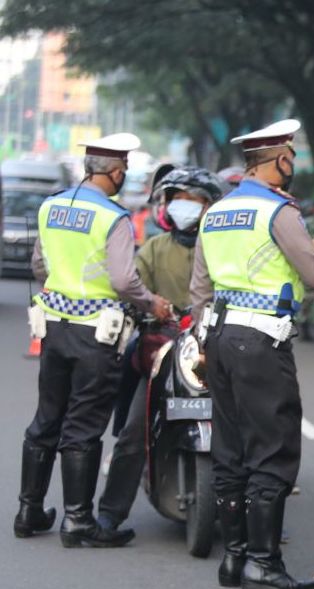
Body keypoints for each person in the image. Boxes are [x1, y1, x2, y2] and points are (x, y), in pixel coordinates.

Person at [190, 118, 314, 589]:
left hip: (219, 335)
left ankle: (234, 558)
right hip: (261, 342)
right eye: (290, 156)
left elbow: (199, 288)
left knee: (230, 451)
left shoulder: (216, 212)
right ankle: (263, 565)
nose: (292, 165)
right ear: (278, 160)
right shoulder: (280, 212)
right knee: (272, 452)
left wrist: (203, 339)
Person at [15, 133, 173, 547]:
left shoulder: (52, 206)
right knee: (84, 424)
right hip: (96, 334)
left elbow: (39, 265)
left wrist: (63, 292)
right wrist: (151, 302)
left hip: (53, 328)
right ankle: (77, 520)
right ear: (117, 172)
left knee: (47, 417)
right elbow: (123, 279)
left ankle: (29, 511)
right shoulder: (113, 218)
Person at [96, 167, 226, 532]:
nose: (185, 206)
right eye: (178, 199)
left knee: (251, 426)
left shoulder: (222, 248)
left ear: (209, 207)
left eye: (195, 200)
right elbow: (131, 289)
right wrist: (148, 307)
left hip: (216, 351)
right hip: (164, 355)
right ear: (166, 206)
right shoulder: (153, 249)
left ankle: (258, 516)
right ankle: (110, 513)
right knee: (135, 430)